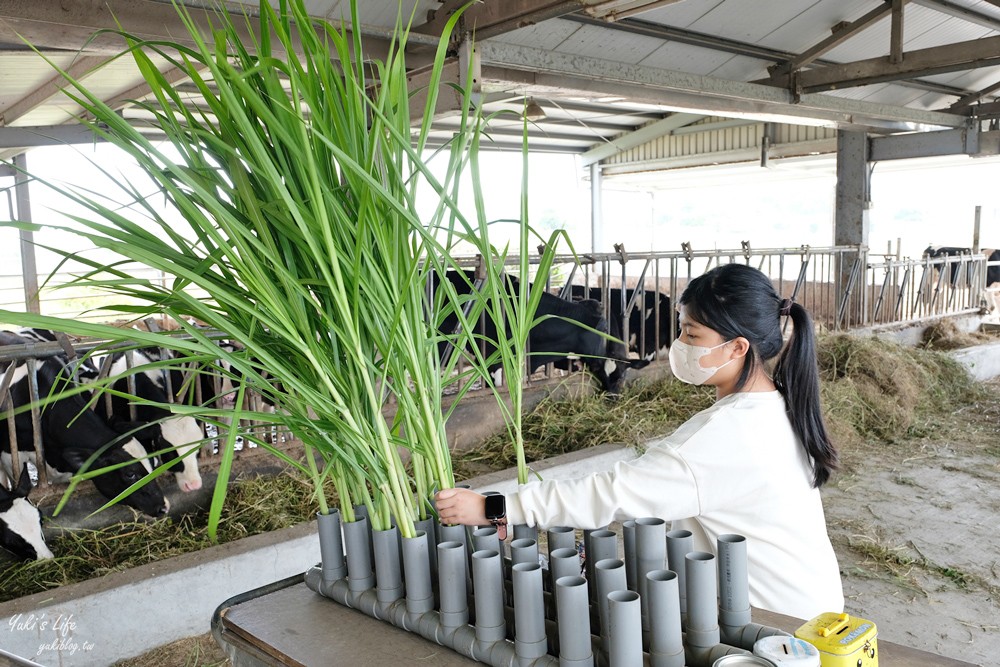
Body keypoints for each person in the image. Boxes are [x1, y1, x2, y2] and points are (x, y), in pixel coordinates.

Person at [435, 263, 844, 620]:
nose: (679, 345)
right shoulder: (777, 406)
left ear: (737, 347)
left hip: (774, 626)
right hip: (812, 605)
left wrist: (496, 505)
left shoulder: (725, 436)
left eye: (691, 333)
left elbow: (611, 493)